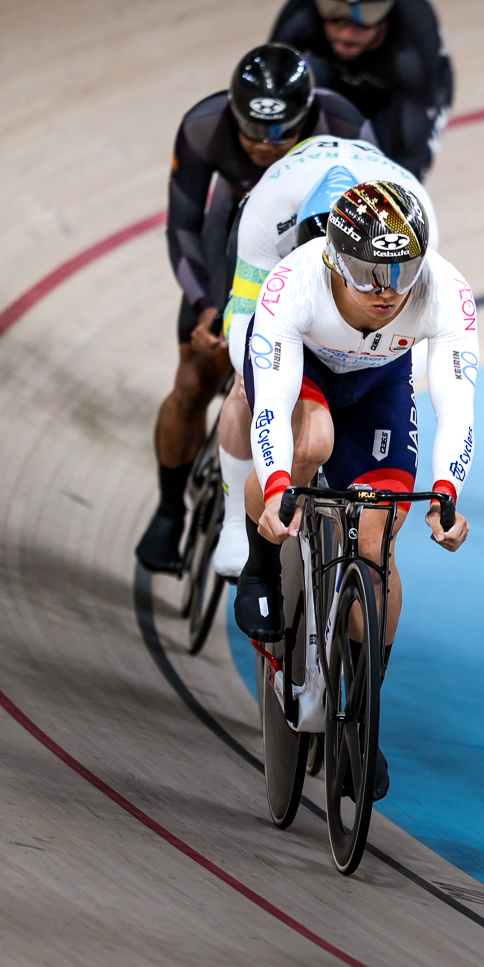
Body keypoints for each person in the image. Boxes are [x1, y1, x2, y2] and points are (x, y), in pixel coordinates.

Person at [235, 178, 475, 798]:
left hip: (378, 386)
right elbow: (274, 405)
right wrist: (281, 481)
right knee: (308, 443)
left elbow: (457, 404)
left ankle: (363, 722)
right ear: (335, 259)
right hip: (303, 372)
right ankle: (262, 562)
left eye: (403, 271)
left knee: (379, 542)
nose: (388, 291)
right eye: (369, 272)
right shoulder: (293, 284)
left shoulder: (444, 292)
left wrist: (449, 489)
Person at [134, 44, 370, 573]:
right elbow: (183, 225)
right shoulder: (205, 126)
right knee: (197, 378)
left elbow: (374, 207)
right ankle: (171, 510)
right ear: (233, 115)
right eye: (253, 132)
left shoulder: (343, 121)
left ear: (308, 117)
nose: (266, 145)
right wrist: (203, 305)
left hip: (309, 243)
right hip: (234, 246)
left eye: (282, 133)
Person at [209, 136, 438, 580]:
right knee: (245, 387)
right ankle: (235, 521)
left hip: (363, 326)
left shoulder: (411, 216)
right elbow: (243, 312)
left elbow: (422, 324)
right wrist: (249, 369)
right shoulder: (271, 204)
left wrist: (367, 362)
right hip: (276, 288)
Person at [270, 0, 452, 180]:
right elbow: (269, 87)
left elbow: (408, 158)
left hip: (402, 93)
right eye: (335, 14)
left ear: (386, 13)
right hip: (336, 74)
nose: (347, 33)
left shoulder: (412, 40)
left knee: (392, 173)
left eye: (366, 16)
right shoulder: (302, 13)